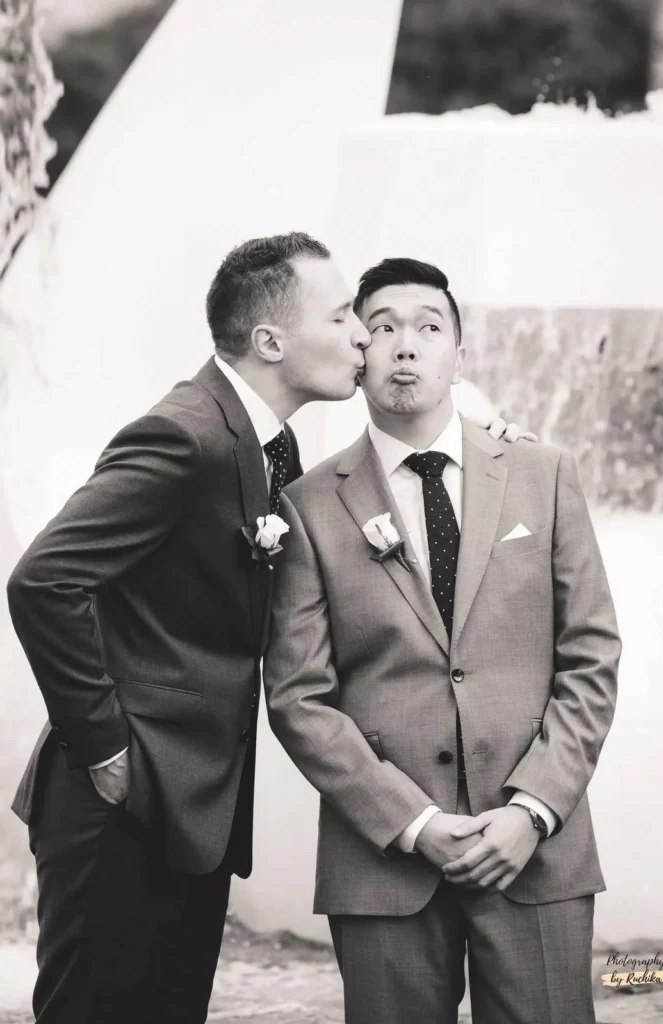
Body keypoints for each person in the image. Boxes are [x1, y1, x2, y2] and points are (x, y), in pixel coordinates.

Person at [7, 236, 522, 1024]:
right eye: (345, 315)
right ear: (272, 341)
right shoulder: (187, 433)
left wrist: (487, 449)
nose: (364, 336)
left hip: (191, 808)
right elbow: (43, 579)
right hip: (123, 804)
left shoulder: (262, 442)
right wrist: (104, 744)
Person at [264, 257, 621, 1024]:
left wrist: (532, 811)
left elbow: (592, 659)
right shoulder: (307, 505)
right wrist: (414, 822)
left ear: (461, 352)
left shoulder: (544, 474)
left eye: (429, 327)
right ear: (357, 353)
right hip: (385, 859)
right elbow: (299, 698)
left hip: (538, 852)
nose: (405, 345)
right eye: (383, 327)